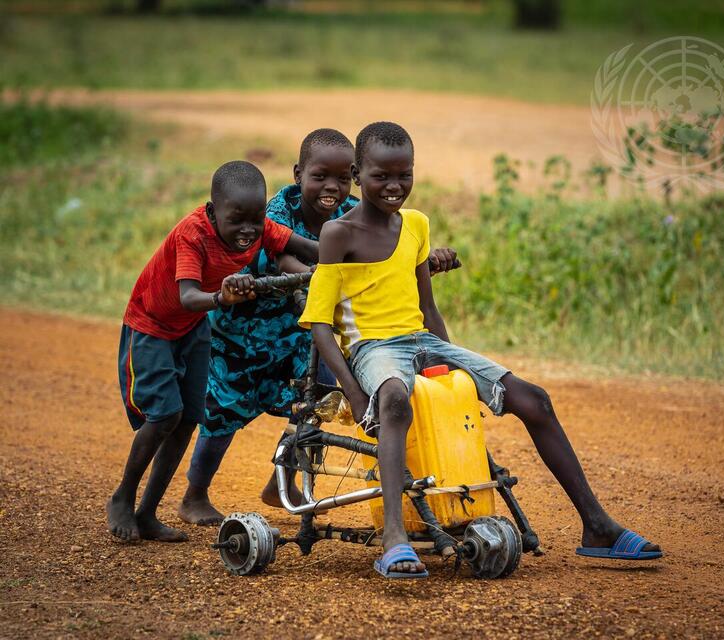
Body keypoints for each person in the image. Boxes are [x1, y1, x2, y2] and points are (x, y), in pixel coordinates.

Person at [300, 121, 662, 578]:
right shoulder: (338, 234)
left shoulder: (416, 225)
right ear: (357, 174)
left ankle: (598, 528)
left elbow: (427, 309)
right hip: (372, 348)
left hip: (421, 342)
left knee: (535, 399)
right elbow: (318, 322)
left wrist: (458, 374)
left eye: (404, 175)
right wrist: (354, 393)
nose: (395, 186)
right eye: (381, 176)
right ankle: (393, 538)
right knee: (394, 399)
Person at [177, 129, 458, 526]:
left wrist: (428, 257)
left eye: (343, 179)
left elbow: (384, 250)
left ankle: (283, 479)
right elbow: (281, 259)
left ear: (355, 176)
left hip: (300, 333)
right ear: (298, 175)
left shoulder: (354, 212)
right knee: (223, 412)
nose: (333, 187)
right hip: (240, 334)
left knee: (319, 395)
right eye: (320, 177)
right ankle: (195, 494)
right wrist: (324, 275)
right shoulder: (276, 212)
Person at [107, 160, 316, 543]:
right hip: (152, 326)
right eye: (236, 219)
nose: (248, 230)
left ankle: (148, 512)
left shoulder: (259, 228)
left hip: (192, 329)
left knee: (189, 417)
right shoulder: (194, 234)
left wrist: (361, 258)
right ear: (213, 209)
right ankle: (123, 496)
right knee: (164, 414)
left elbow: (304, 246)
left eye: (256, 218)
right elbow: (187, 297)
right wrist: (222, 296)